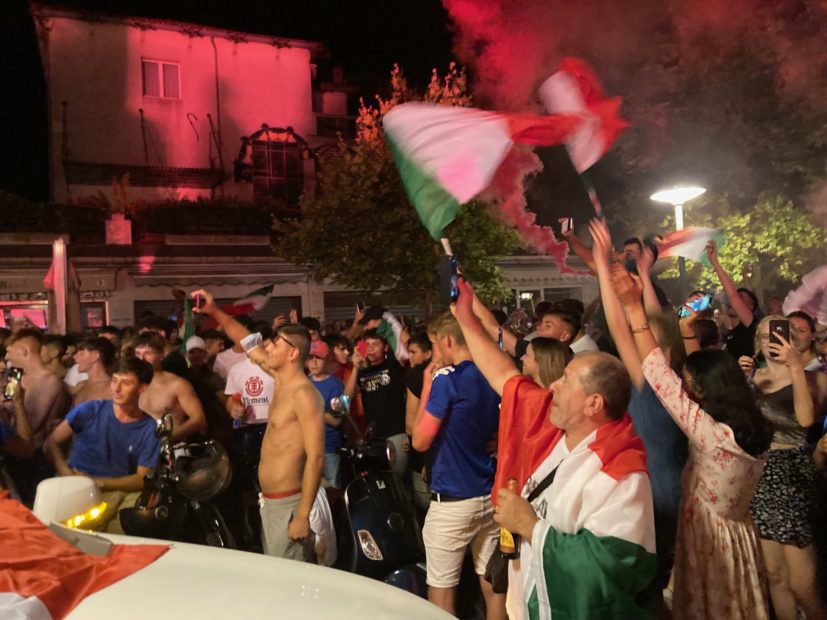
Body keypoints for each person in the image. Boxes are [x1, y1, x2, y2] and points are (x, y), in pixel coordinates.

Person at [451, 277, 656, 619]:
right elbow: (504, 376)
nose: (554, 385)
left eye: (567, 380)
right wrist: (464, 316)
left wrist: (529, 526)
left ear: (593, 403)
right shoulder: (554, 425)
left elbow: (603, 574)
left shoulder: (621, 475)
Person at [611, 262, 773, 619]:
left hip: (709, 541)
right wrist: (684, 317)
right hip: (739, 536)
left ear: (702, 390)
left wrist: (634, 305)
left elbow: (656, 371)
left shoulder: (711, 436)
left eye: (687, 383)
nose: (683, 388)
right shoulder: (752, 427)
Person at [588, 219, 688, 609]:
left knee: (654, 585)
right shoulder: (679, 378)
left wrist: (600, 263)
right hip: (680, 490)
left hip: (656, 495)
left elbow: (619, 323)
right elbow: (645, 322)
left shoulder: (653, 385)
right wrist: (643, 275)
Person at [192, 289, 324, 563]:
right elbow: (247, 340)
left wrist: (301, 515)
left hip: (289, 504)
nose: (269, 346)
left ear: (293, 353)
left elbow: (316, 457)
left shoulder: (304, 393)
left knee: (291, 584)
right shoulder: (279, 376)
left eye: (276, 343)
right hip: (271, 502)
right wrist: (214, 310)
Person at [410, 313, 504, 619]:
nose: (436, 353)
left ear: (448, 341)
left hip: (452, 501)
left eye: (436, 345)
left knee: (441, 591)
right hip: (490, 496)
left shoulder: (447, 378)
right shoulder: (493, 373)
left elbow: (420, 440)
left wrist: (426, 385)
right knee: (493, 584)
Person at [741, 316, 825, 619]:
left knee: (803, 583)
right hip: (760, 474)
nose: (771, 341)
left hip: (792, 475)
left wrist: (795, 368)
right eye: (764, 336)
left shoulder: (815, 378)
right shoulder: (754, 380)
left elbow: (805, 420)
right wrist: (740, 385)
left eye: (778, 335)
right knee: (774, 575)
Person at [42, 358, 160, 531]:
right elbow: (51, 443)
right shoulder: (90, 410)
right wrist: (66, 472)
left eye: (126, 383)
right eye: (114, 381)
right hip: (72, 483)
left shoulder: (148, 428)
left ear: (143, 388)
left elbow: (142, 478)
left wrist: (99, 483)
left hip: (116, 490)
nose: (117, 389)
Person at [134, 332, 206, 442]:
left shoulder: (177, 384)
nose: (141, 359)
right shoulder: (133, 383)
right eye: (138, 353)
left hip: (172, 449)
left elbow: (199, 420)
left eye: (147, 353)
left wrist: (167, 440)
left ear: (161, 354)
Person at [3, 329, 69, 446]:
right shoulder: (15, 375)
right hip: (13, 446)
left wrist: (12, 405)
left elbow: (33, 425)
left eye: (9, 352)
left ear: (25, 352)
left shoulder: (50, 382)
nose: (7, 357)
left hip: (36, 452)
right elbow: (6, 401)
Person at [344, 329, 406, 441]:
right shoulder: (362, 371)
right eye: (367, 345)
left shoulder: (394, 366)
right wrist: (355, 367)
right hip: (372, 434)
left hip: (396, 432)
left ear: (385, 347)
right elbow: (347, 398)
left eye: (376, 344)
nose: (370, 348)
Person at [706, 239, 761, 359]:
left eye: (741, 299)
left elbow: (732, 296)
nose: (734, 302)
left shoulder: (751, 327)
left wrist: (715, 263)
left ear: (750, 307)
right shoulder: (730, 333)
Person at [306, 340, 345, 488]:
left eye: (318, 358)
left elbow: (337, 420)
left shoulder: (336, 384)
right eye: (310, 358)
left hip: (329, 446)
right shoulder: (303, 382)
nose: (314, 362)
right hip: (307, 447)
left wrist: (311, 409)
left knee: (331, 488)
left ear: (327, 359)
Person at [73, 338, 116, 405]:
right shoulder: (80, 386)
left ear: (95, 356)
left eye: (81, 353)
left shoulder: (112, 389)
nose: (75, 357)